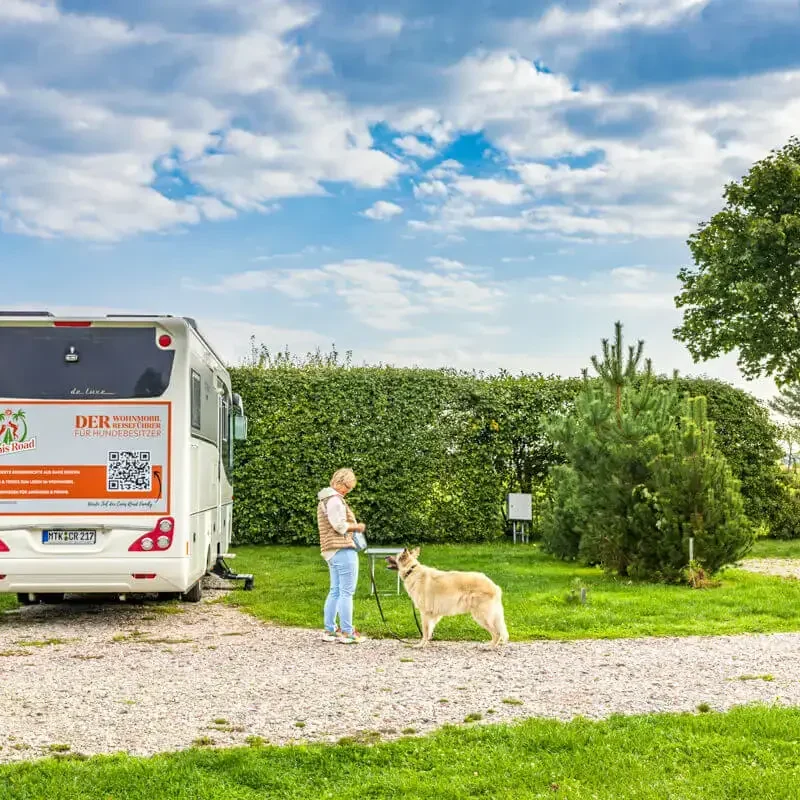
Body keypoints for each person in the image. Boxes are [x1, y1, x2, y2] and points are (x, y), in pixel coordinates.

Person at [317, 468, 367, 644]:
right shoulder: (335, 501)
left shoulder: (325, 499)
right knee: (346, 592)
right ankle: (347, 632)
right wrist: (357, 527)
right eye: (347, 486)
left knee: (336, 590)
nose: (347, 491)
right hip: (342, 549)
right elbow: (339, 526)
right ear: (339, 482)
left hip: (331, 551)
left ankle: (330, 630)